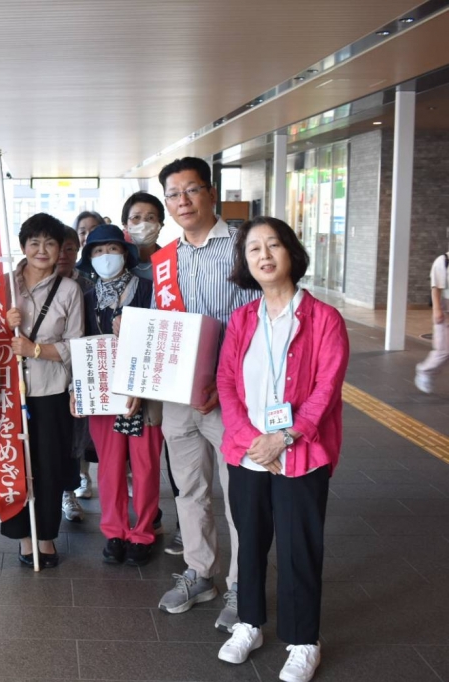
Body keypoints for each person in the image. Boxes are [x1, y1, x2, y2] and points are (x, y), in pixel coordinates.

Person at [216, 217, 348, 682]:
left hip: (301, 451)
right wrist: (250, 438)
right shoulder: (241, 318)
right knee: (249, 541)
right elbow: (227, 382)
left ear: (291, 253)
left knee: (299, 547)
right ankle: (249, 623)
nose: (264, 255)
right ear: (245, 262)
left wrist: (284, 437)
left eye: (273, 245)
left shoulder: (324, 318)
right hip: (248, 449)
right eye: (254, 249)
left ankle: (303, 640)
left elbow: (326, 389)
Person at [152, 157, 257, 633]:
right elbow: (162, 324)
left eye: (191, 190)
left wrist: (223, 381)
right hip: (178, 396)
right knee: (189, 488)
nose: (182, 201)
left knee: (240, 494)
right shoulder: (166, 258)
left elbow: (258, 321)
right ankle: (200, 573)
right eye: (173, 195)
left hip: (230, 394)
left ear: (210, 193)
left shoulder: (243, 248)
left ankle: (241, 585)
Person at [72, 225, 160, 566]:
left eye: (112, 249)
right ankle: (113, 532)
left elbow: (162, 340)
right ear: (89, 259)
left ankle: (143, 532)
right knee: (108, 468)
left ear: (126, 253)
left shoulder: (150, 291)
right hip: (103, 397)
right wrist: (75, 389)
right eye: (96, 251)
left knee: (146, 467)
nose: (105, 257)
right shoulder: (87, 298)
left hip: (145, 397)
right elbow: (79, 346)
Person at [4, 213, 84, 568]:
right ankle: (24, 536)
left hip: (51, 391)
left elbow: (76, 345)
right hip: (9, 392)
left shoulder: (69, 290)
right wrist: (3, 324)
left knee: (49, 466)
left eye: (50, 243)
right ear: (23, 246)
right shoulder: (4, 285)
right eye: (34, 242)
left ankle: (47, 536)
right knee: (15, 465)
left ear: (60, 249)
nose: (41, 250)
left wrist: (35, 350)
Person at [121, 192, 183, 555]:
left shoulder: (172, 260)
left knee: (173, 449)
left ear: (161, 221)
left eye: (150, 217)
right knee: (134, 453)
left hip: (165, 367)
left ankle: (183, 525)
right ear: (125, 222)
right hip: (126, 373)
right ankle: (149, 515)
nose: (142, 223)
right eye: (135, 217)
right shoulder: (116, 261)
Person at [57, 227, 93, 520]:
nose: (63, 255)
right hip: (47, 372)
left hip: (81, 373)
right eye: (59, 248)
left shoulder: (88, 285)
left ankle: (71, 489)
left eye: (69, 249)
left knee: (76, 438)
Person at [415, 247, 449, 394]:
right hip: (446, 309)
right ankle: (425, 371)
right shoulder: (443, 261)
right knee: (443, 350)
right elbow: (435, 287)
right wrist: (437, 310)